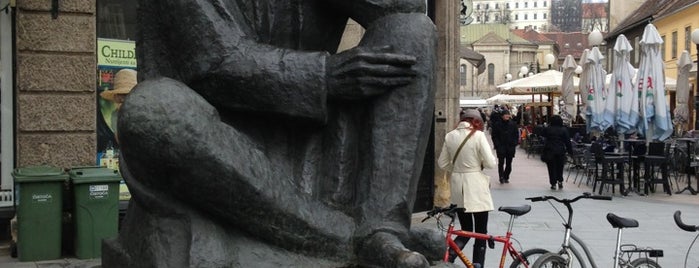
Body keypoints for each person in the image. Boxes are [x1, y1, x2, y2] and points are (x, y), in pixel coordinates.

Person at [112, 1, 438, 267]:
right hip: (219, 138)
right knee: (153, 109)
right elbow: (215, 63)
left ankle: (382, 228)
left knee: (411, 32)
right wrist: (324, 76)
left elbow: (403, 6)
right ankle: (341, 236)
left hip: (317, 138)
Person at [437, 108, 496, 267]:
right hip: (476, 186)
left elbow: (442, 163)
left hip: (457, 187)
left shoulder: (450, 136)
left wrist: (457, 169)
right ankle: (478, 265)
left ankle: (449, 257)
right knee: (481, 232)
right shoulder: (478, 135)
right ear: (476, 121)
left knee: (465, 229)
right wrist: (476, 166)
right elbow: (491, 163)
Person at [541, 115, 573, 189]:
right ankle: (560, 180)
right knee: (560, 166)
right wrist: (570, 151)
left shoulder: (548, 129)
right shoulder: (563, 130)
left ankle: (553, 183)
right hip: (560, 150)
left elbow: (542, 134)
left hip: (549, 150)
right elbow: (567, 142)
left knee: (551, 167)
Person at [491, 110, 519, 183]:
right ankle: (501, 177)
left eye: (508, 115)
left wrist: (514, 143)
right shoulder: (497, 124)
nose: (507, 116)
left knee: (509, 163)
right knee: (501, 163)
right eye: (505, 115)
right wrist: (497, 145)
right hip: (501, 146)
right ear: (502, 116)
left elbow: (516, 134)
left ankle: (506, 176)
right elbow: (494, 136)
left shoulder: (513, 124)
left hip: (510, 146)